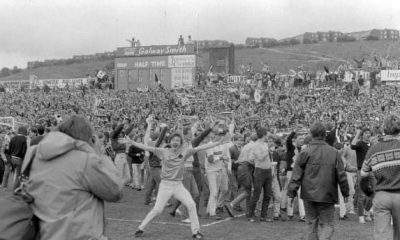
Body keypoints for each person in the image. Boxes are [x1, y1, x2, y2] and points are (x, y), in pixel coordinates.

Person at [23, 115, 123, 240]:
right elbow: (115, 191)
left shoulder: (34, 154)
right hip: (77, 234)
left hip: (45, 233)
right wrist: (100, 155)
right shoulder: (85, 160)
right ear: (87, 138)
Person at [132, 129, 230, 239]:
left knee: (191, 205)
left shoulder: (185, 152)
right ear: (170, 141)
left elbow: (201, 147)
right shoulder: (163, 151)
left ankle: (196, 232)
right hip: (165, 185)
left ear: (180, 143)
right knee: (158, 209)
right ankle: (141, 228)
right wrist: (131, 142)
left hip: (178, 185)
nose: (175, 142)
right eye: (173, 140)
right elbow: (146, 147)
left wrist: (218, 143)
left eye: (177, 140)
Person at [288, 122, 349, 240]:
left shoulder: (305, 152)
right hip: (327, 194)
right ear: (324, 135)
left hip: (309, 194)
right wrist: (345, 192)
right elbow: (341, 175)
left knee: (312, 224)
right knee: (327, 224)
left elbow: (296, 175)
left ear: (311, 134)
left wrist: (291, 193)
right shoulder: (334, 152)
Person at [360, 115, 400, 240]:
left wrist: (369, 191)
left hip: (381, 194)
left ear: (384, 128)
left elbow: (363, 173)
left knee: (382, 235)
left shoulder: (374, 148)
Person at [247, 127, 273, 222]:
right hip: (260, 171)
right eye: (266, 134)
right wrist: (268, 150)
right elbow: (260, 157)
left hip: (268, 171)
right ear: (263, 135)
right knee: (257, 194)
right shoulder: (256, 145)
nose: (267, 136)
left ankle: (263, 216)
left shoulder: (265, 144)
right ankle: (250, 214)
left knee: (267, 195)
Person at [351, 127, 372, 224]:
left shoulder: (372, 145)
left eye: (369, 133)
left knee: (374, 193)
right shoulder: (359, 143)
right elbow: (352, 145)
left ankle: (367, 211)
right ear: (363, 135)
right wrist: (357, 134)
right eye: (366, 133)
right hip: (362, 171)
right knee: (362, 194)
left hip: (372, 171)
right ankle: (361, 216)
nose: (368, 134)